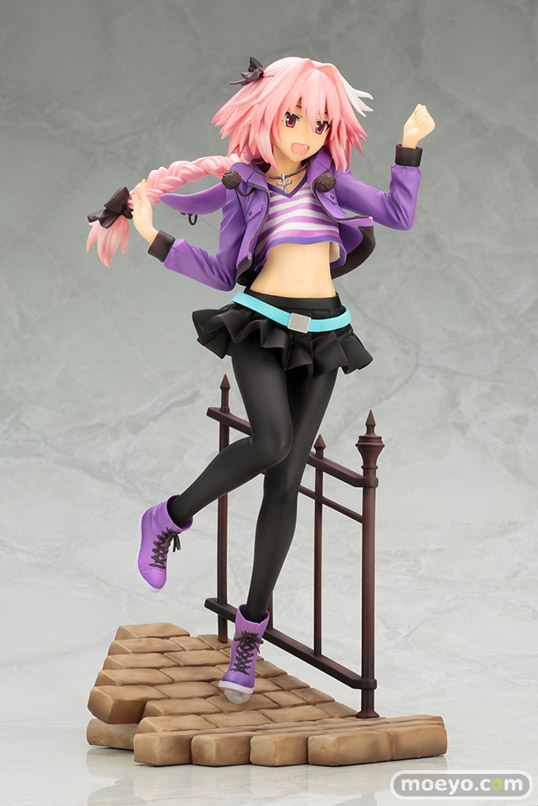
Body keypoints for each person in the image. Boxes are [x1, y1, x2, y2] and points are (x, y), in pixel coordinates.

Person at [87, 56, 435, 703]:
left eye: (319, 124)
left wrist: (408, 149)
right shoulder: (244, 186)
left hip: (324, 330)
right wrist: (153, 233)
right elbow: (223, 271)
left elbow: (397, 214)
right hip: (258, 322)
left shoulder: (330, 181)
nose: (304, 135)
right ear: (266, 116)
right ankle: (169, 518)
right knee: (271, 441)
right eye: (293, 119)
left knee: (285, 484)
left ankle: (249, 635)